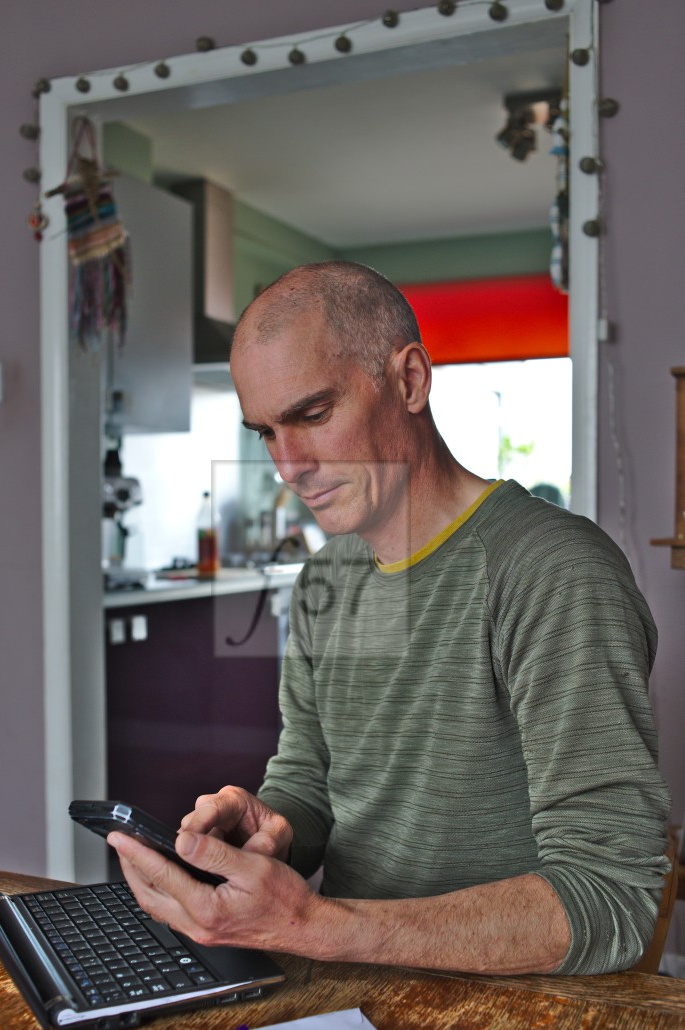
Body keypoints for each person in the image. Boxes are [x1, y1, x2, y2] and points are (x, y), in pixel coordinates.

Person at [108, 261, 671, 976]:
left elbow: (612, 897)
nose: (290, 465)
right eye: (266, 434)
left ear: (410, 381)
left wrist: (313, 924)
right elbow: (311, 780)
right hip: (349, 1002)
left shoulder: (550, 571)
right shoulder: (330, 577)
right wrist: (273, 828)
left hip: (522, 1023)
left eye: (313, 416)